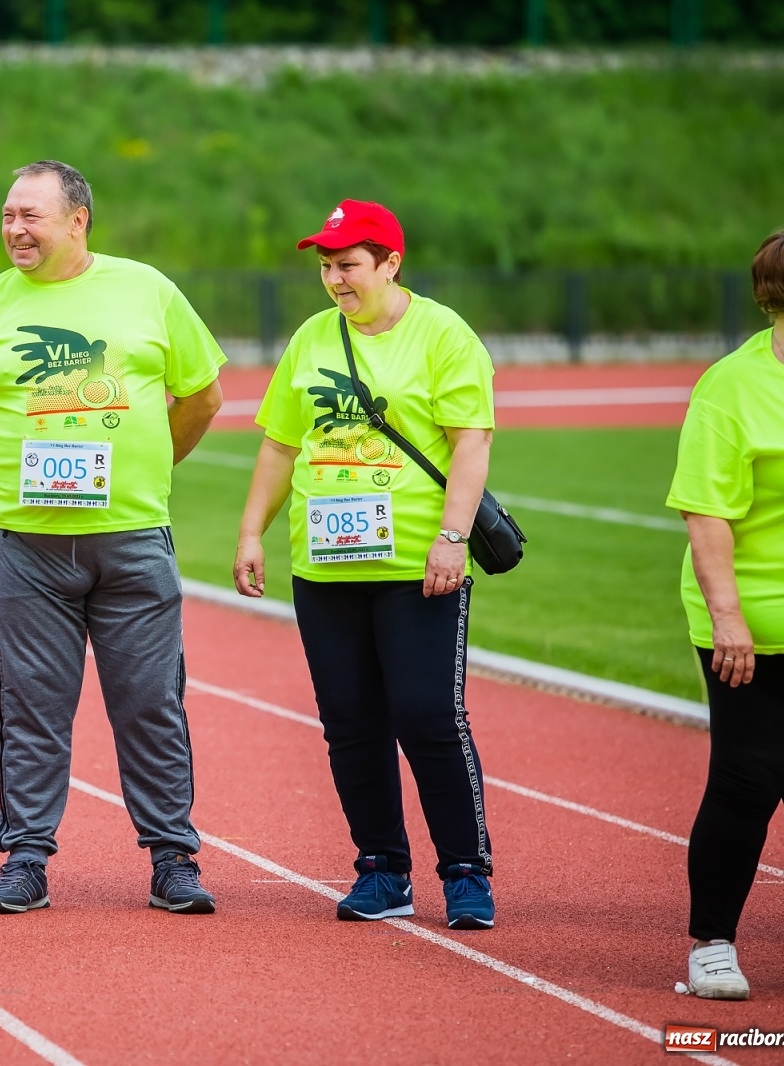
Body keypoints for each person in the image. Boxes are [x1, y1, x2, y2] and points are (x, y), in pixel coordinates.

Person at [0, 160, 225, 915]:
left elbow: (201, 396)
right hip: (28, 550)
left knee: (151, 703)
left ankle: (173, 859)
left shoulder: (148, 290)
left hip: (133, 539)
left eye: (31, 215)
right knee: (31, 707)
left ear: (77, 220)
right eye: (8, 215)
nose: (15, 229)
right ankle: (25, 859)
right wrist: (9, 485)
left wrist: (146, 471)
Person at [233, 199, 498, 930]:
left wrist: (452, 537)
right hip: (326, 567)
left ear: (390, 264)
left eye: (348, 265)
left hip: (417, 565)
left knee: (428, 716)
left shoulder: (443, 335)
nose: (335, 280)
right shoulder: (312, 337)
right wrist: (251, 532)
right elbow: (280, 445)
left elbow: (471, 442)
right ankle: (382, 869)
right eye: (326, 266)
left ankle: (466, 870)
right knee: (349, 723)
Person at [665, 223, 784, 1000]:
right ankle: (713, 944)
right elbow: (706, 514)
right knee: (748, 780)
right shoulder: (731, 387)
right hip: (753, 623)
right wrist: (729, 617)